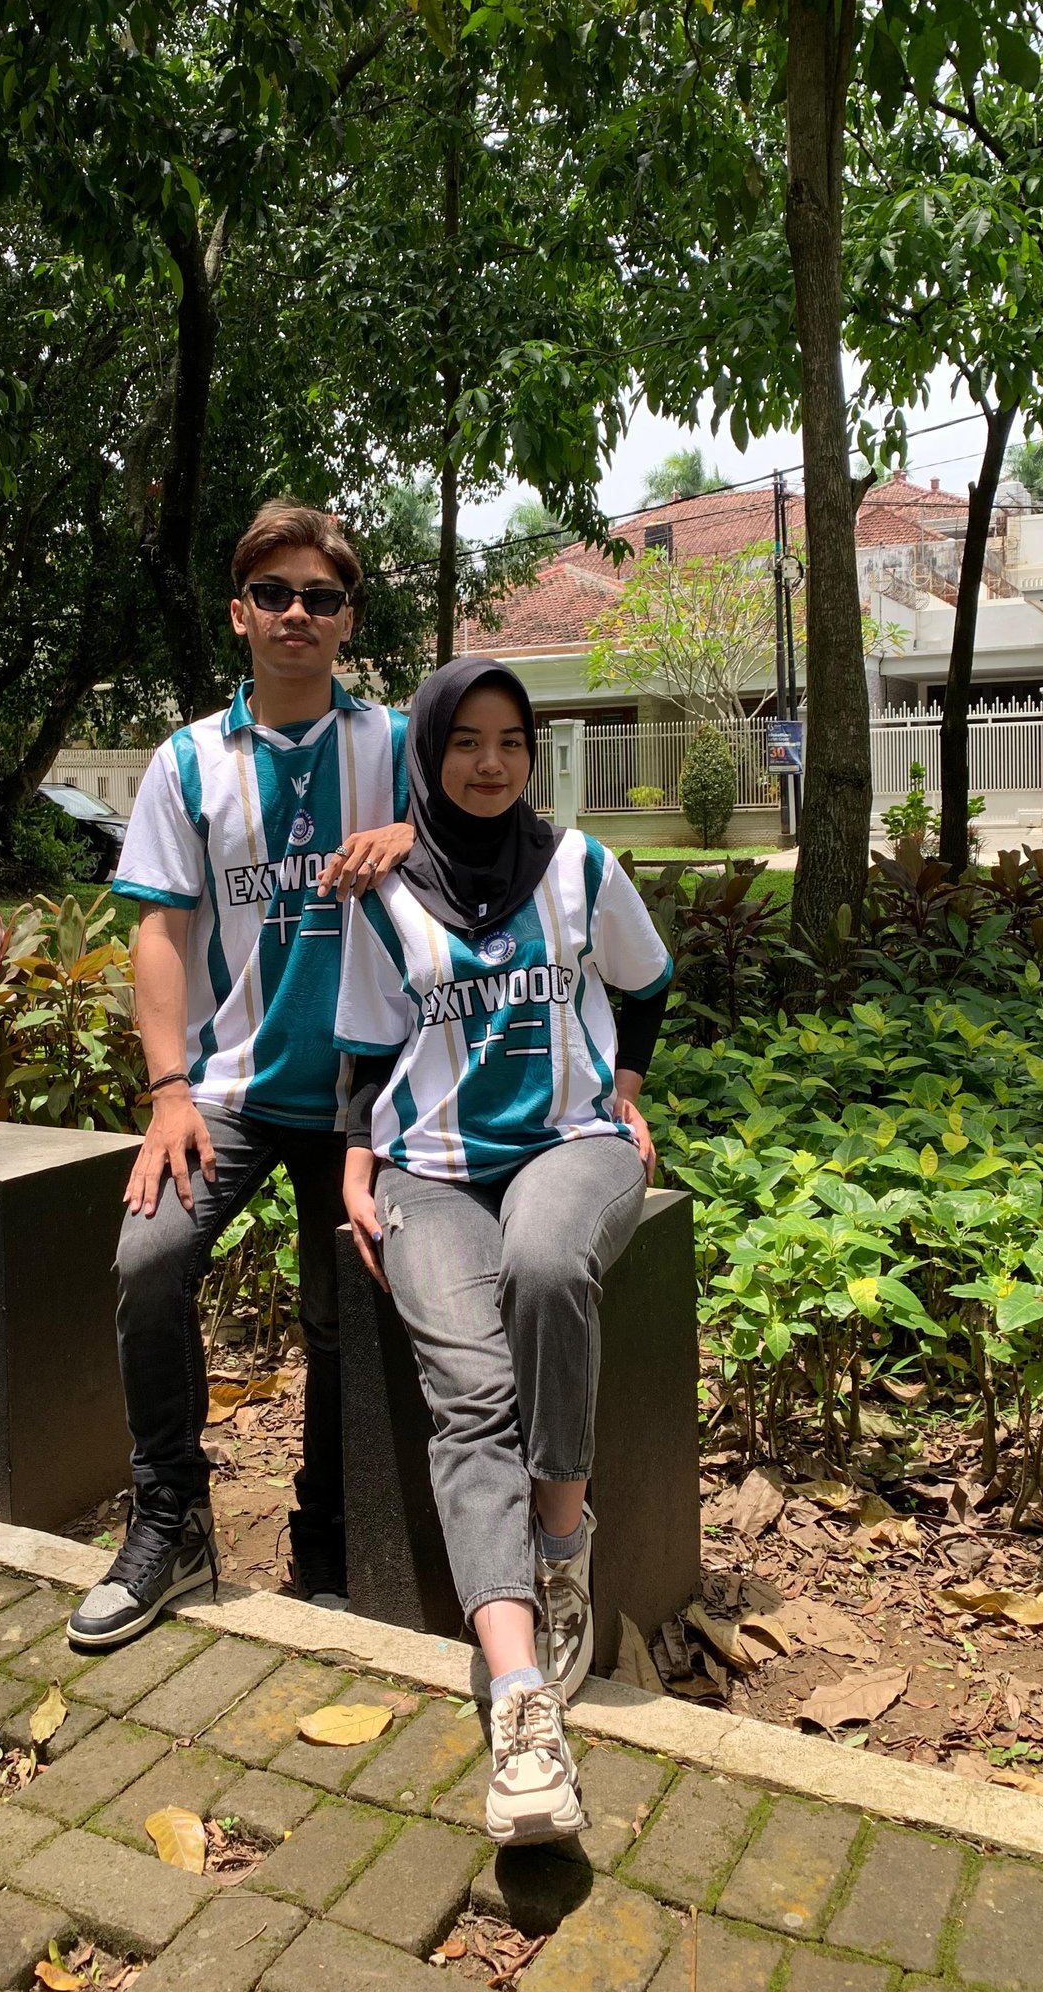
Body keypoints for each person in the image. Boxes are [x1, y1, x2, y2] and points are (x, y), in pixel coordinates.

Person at [335, 658, 671, 1845]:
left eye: (511, 742)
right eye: (464, 742)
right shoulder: (382, 893)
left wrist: (627, 1090)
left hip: (573, 1145)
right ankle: (520, 1695)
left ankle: (564, 1545)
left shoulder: (580, 867)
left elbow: (649, 981)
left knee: (544, 1262)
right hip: (428, 1170)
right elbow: (369, 1043)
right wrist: (353, 1159)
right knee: (470, 1390)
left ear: (533, 756)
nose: (489, 763)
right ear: (427, 757)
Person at [69, 502, 412, 1649]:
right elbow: (158, 930)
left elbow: (494, 835)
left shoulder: (400, 747)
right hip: (224, 1091)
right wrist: (168, 1089)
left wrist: (415, 839)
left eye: (320, 595)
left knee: (339, 1313)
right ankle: (172, 1515)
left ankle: (328, 1541)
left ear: (347, 619)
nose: (297, 613)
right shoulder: (188, 763)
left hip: (367, 1093)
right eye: (275, 594)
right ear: (240, 613)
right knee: (150, 1260)